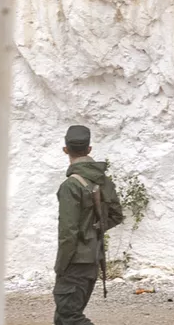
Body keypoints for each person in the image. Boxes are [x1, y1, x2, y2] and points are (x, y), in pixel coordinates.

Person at [55, 124, 121, 325]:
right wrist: (93, 231)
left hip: (75, 261)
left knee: (69, 317)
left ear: (65, 149)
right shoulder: (103, 181)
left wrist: (61, 266)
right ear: (89, 149)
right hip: (93, 258)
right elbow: (116, 215)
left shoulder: (71, 185)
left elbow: (68, 232)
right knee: (64, 318)